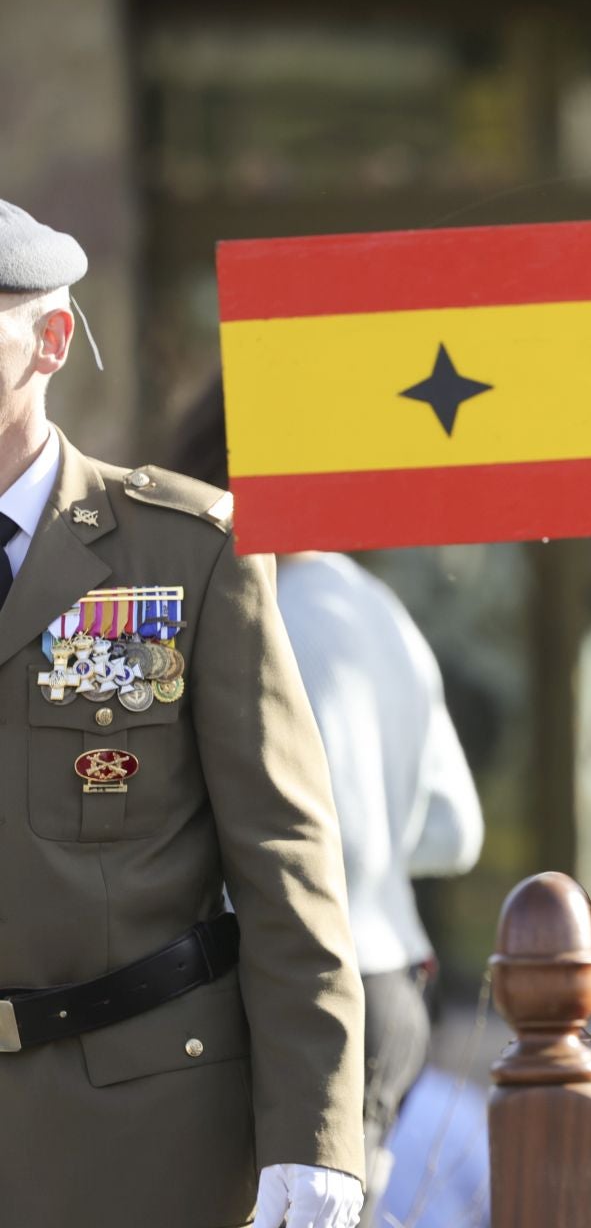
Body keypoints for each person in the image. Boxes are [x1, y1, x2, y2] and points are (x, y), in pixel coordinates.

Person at [0, 198, 367, 1226]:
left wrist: (314, 1131)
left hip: (139, 1129)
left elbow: (285, 858)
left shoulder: (186, 551)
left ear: (50, 339)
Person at [167, 377, 488, 1200]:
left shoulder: (248, 606)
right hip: (397, 988)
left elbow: (274, 843)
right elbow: (456, 831)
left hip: (286, 999)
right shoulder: (376, 604)